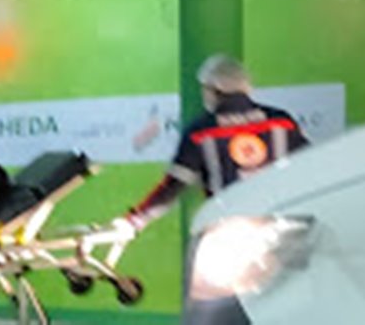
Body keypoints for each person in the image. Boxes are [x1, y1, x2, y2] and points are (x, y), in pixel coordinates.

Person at [123, 55, 310, 230]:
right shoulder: (282, 122)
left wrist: (134, 221)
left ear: (212, 90)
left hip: (228, 231)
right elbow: (310, 164)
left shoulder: (201, 132)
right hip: (282, 227)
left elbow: (172, 188)